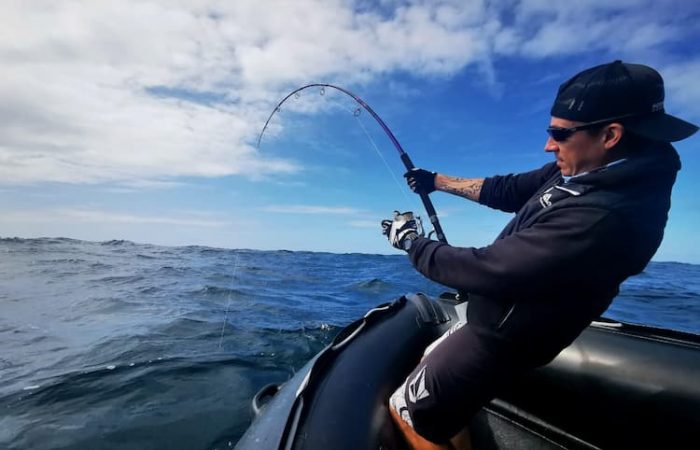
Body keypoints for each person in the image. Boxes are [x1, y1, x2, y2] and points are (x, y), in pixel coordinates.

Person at [381, 60, 699, 450]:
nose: (549, 145)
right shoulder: (589, 168)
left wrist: (412, 242)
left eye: (558, 134)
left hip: (502, 340)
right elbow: (510, 190)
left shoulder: (604, 216)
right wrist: (437, 182)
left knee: (410, 413)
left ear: (611, 134)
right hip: (500, 324)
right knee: (438, 402)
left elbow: (488, 270)